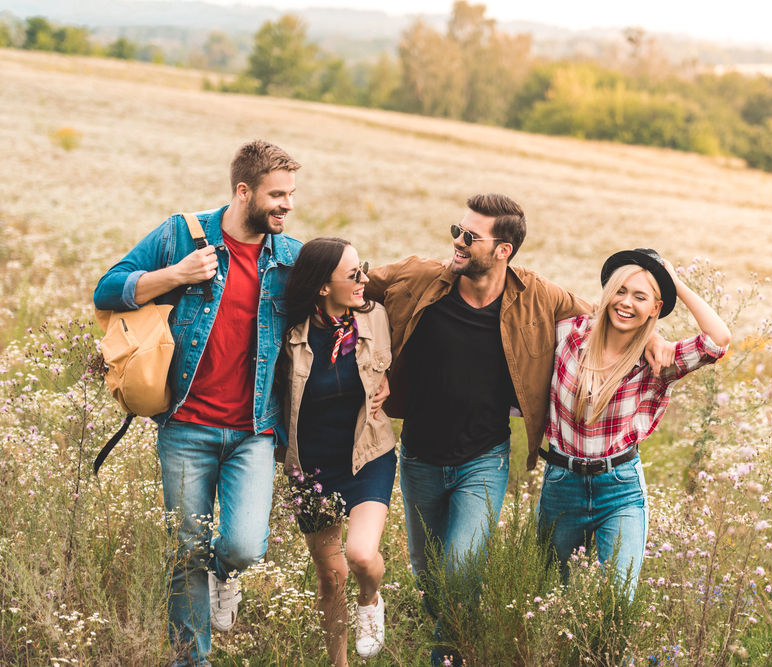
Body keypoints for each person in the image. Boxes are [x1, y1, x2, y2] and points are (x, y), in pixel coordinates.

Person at [363, 195, 674, 656]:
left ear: (503, 249)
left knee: (460, 568)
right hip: (419, 456)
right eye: (457, 230)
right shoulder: (420, 278)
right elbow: (351, 289)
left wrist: (655, 333)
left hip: (484, 457)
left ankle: (448, 654)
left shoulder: (538, 296)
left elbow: (604, 313)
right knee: (427, 572)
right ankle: (459, 634)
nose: (458, 241)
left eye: (471, 236)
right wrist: (374, 364)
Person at [93, 141, 302, 666]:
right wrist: (177, 276)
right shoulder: (181, 235)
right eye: (277, 195)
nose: (287, 205)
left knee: (244, 546)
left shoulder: (290, 257)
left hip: (254, 430)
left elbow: (347, 291)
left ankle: (225, 575)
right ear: (243, 191)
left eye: (291, 195)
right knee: (186, 552)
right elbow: (107, 288)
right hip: (186, 425)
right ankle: (191, 660)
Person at [537, 248, 731, 596]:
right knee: (552, 591)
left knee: (618, 601)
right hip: (561, 482)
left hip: (620, 487)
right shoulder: (569, 333)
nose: (626, 303)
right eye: (620, 291)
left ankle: (608, 655)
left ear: (656, 308)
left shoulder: (659, 361)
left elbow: (718, 340)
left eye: (640, 296)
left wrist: (675, 283)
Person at [276, 237, 395, 665]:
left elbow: (401, 363)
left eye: (362, 268)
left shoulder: (376, 317)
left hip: (367, 455)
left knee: (361, 556)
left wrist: (391, 383)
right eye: (353, 275)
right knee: (330, 577)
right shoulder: (287, 334)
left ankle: (371, 598)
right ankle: (338, 662)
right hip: (310, 468)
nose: (364, 280)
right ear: (322, 287)